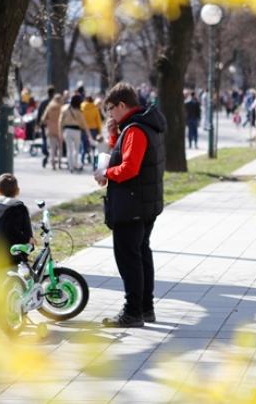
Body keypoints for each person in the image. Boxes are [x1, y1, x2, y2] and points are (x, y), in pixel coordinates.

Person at [94, 82, 167, 328]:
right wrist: (114, 134)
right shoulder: (144, 125)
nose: (110, 114)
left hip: (132, 205)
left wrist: (106, 173)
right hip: (144, 203)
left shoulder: (136, 129)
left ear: (122, 105)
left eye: (111, 109)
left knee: (129, 258)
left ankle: (133, 311)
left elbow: (129, 168)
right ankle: (146, 309)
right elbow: (126, 155)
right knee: (141, 254)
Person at [0, 173, 35, 272]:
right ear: (17, 191)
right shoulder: (19, 208)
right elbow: (26, 233)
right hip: (15, 257)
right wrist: (29, 240)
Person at [60, 94, 92, 173]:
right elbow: (84, 124)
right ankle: (75, 164)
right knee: (76, 149)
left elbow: (60, 121)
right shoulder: (79, 111)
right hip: (77, 131)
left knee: (69, 149)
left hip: (67, 130)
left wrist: (60, 132)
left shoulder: (65, 109)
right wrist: (89, 135)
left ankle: (70, 167)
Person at [41, 93, 63, 170]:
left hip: (50, 130)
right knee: (60, 148)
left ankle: (53, 163)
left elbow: (43, 119)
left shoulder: (49, 107)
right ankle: (60, 163)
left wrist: (49, 122)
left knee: (52, 148)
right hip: (60, 129)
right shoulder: (61, 107)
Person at [36, 86, 55, 168]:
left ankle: (46, 154)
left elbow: (39, 114)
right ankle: (52, 156)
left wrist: (37, 124)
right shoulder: (55, 102)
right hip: (54, 125)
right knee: (54, 142)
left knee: (44, 139)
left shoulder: (43, 102)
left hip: (44, 125)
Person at [80, 95, 102, 167]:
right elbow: (98, 121)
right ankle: (94, 164)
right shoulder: (95, 109)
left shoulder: (82, 108)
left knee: (84, 146)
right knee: (94, 148)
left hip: (84, 130)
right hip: (94, 130)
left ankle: (82, 163)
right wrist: (100, 131)